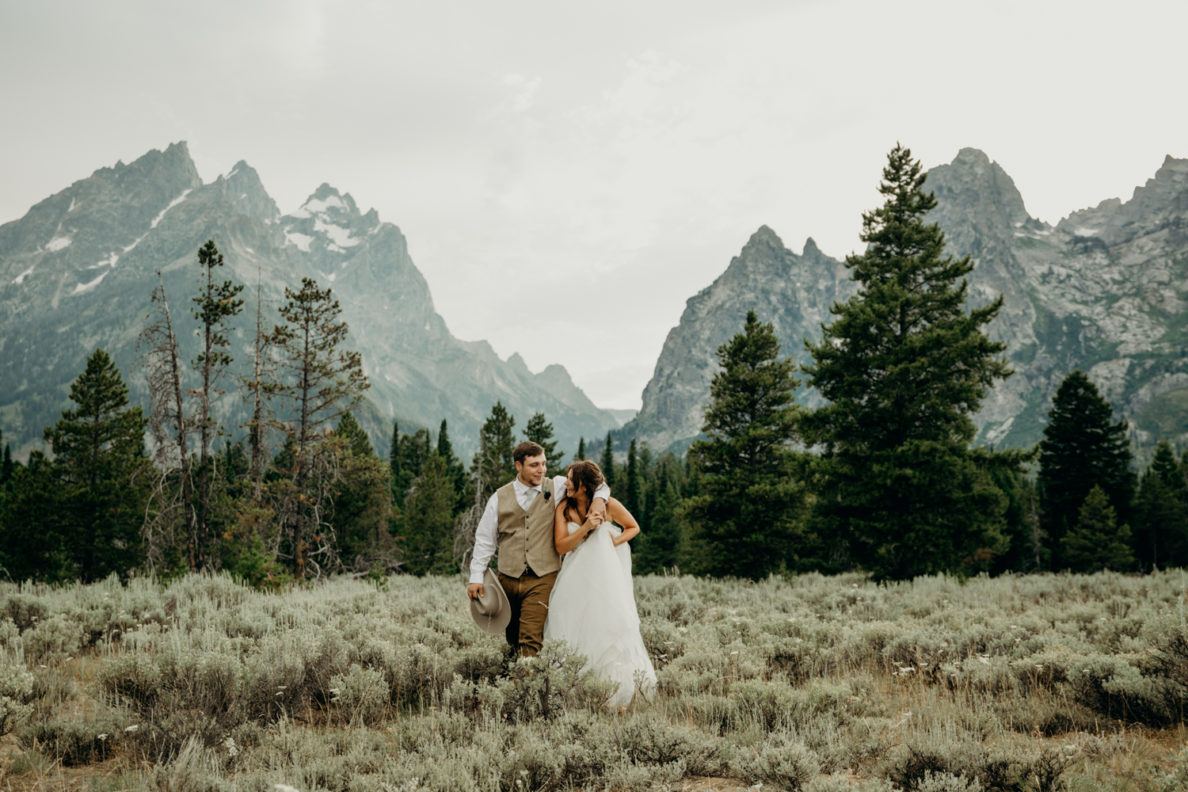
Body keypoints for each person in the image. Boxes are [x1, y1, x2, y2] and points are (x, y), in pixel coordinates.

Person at [466, 441, 609, 658]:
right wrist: (476, 576)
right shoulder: (499, 498)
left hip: (543, 578)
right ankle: (517, 683)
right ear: (518, 466)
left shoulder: (558, 486)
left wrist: (599, 501)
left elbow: (598, 484)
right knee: (513, 640)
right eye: (534, 465)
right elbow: (485, 540)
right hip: (507, 579)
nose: (541, 469)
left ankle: (525, 689)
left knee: (530, 641)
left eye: (543, 464)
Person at [544, 460, 657, 707]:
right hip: (574, 578)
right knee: (571, 623)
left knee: (608, 626)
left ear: (583, 485)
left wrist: (611, 542)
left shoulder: (608, 505)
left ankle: (613, 695)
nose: (566, 483)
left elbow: (633, 527)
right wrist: (585, 527)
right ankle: (572, 692)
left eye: (571, 479)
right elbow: (561, 545)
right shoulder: (564, 507)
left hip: (604, 578)